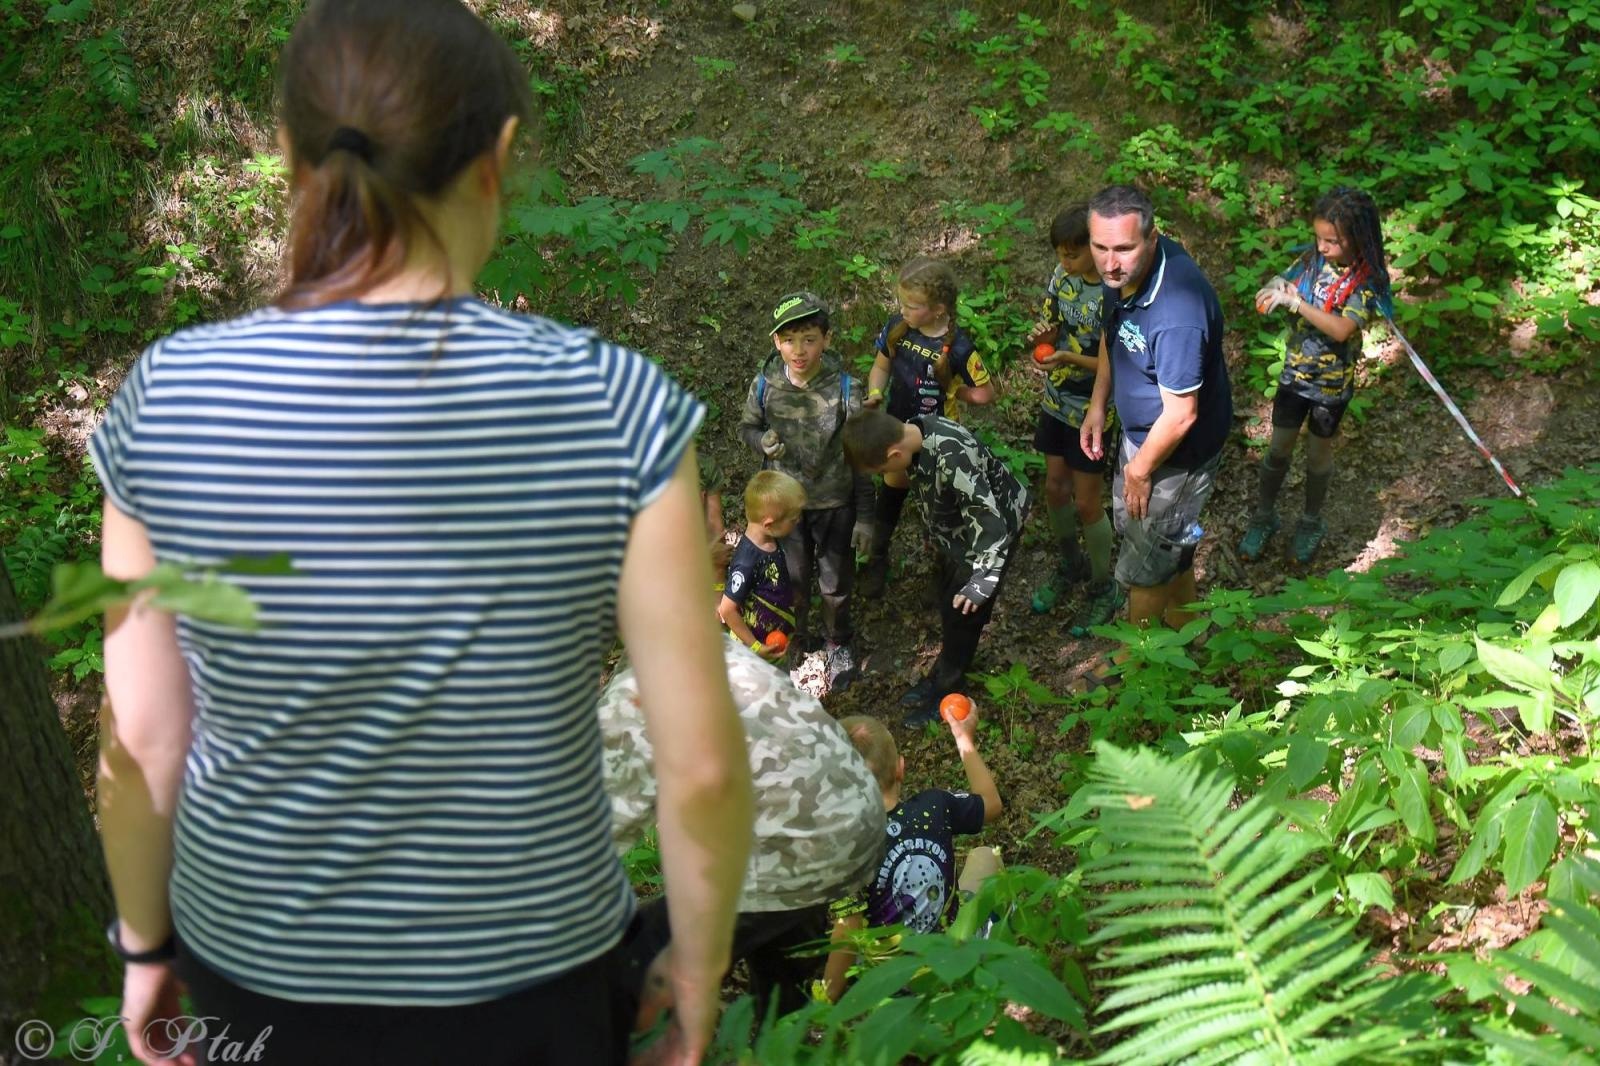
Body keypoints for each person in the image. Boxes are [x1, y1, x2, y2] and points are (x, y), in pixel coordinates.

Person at [88, 3, 753, 1064]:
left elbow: (145, 742)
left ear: (289, 156)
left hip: (255, 966)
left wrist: (141, 942)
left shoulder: (169, 400)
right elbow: (702, 767)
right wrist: (698, 966)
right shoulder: (613, 403)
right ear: (497, 157)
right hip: (533, 984)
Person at [600, 636, 885, 1025]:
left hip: (797, 840)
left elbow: (578, 851)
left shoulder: (631, 702)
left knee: (635, 971)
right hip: (854, 812)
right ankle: (783, 1038)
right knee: (782, 974)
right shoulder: (698, 639)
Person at [1079, 184, 1232, 647]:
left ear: (1152, 237)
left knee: (1143, 567)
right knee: (1164, 546)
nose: (1109, 261)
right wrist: (1098, 403)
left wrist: (1141, 470)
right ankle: (1188, 629)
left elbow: (1183, 414)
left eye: (1123, 248)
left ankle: (1134, 668)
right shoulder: (1121, 277)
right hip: (1140, 439)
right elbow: (1115, 333)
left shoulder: (1178, 310)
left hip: (1176, 456)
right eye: (1100, 246)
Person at [841, 408, 1030, 726]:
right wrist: (879, 539)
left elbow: (990, 522)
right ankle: (942, 671)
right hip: (957, 534)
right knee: (947, 599)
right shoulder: (909, 431)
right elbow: (895, 485)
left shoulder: (952, 456)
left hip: (991, 535)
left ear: (894, 452)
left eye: (880, 468)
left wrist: (982, 581)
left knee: (965, 613)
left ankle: (949, 690)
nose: (882, 475)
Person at [1240, 186, 1393, 564]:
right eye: (1319, 237)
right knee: (1278, 449)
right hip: (1295, 376)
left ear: (1358, 238)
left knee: (1318, 455)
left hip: (1330, 388)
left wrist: (1296, 303)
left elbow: (1343, 329)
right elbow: (1286, 278)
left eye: (1333, 241)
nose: (1323, 247)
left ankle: (1311, 521)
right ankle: (1264, 516)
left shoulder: (1366, 282)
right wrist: (1276, 288)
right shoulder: (1312, 261)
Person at [738, 292, 871, 691]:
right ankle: (797, 636)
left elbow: (860, 453)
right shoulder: (765, 384)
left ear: (826, 340)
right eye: (790, 339)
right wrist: (761, 441)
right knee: (791, 580)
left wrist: (865, 516)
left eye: (809, 339)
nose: (800, 350)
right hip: (784, 506)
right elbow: (747, 427)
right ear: (776, 342)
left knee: (835, 582)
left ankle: (837, 642)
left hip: (835, 504)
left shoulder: (847, 388)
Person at [823, 711, 1002, 1002]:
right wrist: (964, 739)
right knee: (984, 855)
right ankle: (992, 944)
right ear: (900, 768)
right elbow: (991, 804)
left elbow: (848, 930)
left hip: (892, 983)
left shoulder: (847, 849)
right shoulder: (935, 805)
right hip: (955, 954)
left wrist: (827, 997)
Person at [859, 258, 997, 599]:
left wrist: (956, 390)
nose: (904, 310)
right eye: (902, 303)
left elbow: (987, 392)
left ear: (938, 309)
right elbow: (880, 368)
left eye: (912, 305)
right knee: (892, 490)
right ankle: (876, 558)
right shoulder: (899, 329)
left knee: (938, 504)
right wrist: (875, 392)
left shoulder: (959, 347)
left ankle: (944, 567)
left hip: (937, 440)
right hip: (897, 429)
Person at [1026, 204, 1123, 635]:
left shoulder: (1112, 292)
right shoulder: (1060, 278)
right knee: (1054, 486)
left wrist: (1069, 357)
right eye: (1060, 254)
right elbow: (1053, 323)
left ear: (1093, 247)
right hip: (1056, 399)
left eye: (1073, 254)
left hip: (1094, 406)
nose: (1065, 262)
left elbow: (1113, 361)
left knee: (1087, 501)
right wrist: (1044, 343)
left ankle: (1104, 585)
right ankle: (1071, 564)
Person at [717, 470, 806, 659]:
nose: (799, 520)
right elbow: (726, 609)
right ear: (769, 523)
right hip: (755, 652)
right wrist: (756, 647)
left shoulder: (772, 539)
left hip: (776, 640)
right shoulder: (747, 561)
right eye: (794, 518)